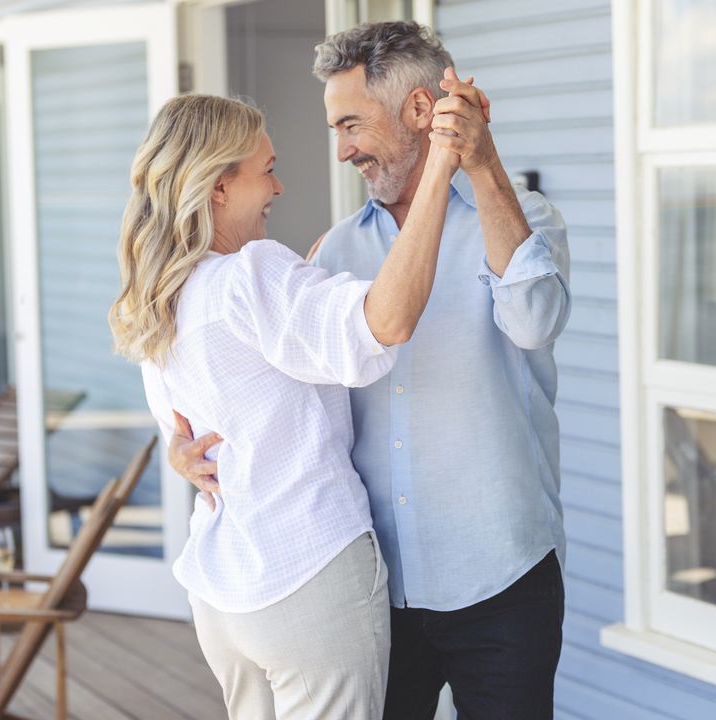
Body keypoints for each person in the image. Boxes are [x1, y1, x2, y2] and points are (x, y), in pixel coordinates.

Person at [168, 22, 572, 720]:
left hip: (501, 579)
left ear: (421, 111)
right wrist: (190, 447)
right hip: (374, 586)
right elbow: (272, 392)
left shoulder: (518, 215)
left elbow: (536, 321)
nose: (342, 148)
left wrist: (479, 163)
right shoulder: (330, 252)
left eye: (351, 123)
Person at [110, 92, 463, 719]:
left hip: (225, 593)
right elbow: (384, 322)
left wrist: (177, 453)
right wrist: (439, 165)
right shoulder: (248, 275)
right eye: (265, 169)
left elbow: (195, 424)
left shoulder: (158, 296)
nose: (279, 184)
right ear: (219, 187)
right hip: (306, 577)